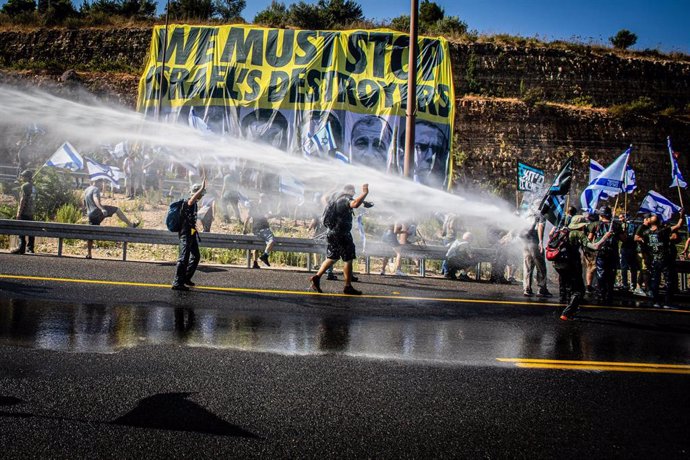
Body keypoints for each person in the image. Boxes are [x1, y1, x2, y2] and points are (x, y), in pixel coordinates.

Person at [309, 184, 369, 295]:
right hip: (342, 235)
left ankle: (316, 277)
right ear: (348, 191)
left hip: (332, 233)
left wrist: (364, 202)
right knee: (348, 259)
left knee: (332, 257)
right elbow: (355, 204)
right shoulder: (346, 198)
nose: (354, 193)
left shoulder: (335, 199)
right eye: (353, 191)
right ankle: (348, 286)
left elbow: (325, 198)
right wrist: (365, 193)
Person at [558, 215, 613, 321]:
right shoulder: (578, 233)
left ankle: (572, 311)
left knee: (570, 288)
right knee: (579, 291)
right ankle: (566, 313)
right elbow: (595, 247)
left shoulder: (564, 231)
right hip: (571, 264)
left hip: (559, 263)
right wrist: (605, 237)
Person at [635, 210, 685, 307]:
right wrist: (681, 216)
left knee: (655, 281)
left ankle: (655, 301)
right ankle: (667, 302)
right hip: (665, 259)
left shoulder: (646, 233)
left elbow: (637, 238)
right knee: (669, 281)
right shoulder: (663, 231)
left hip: (654, 259)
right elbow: (678, 225)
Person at [83, 180, 139, 259]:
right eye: (101, 183)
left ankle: (89, 254)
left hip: (90, 215)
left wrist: (85, 211)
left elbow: (84, 202)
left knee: (91, 234)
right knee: (117, 209)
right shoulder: (95, 189)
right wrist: (102, 209)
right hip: (97, 211)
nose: (102, 185)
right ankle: (130, 225)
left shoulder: (87, 189)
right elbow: (95, 199)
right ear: (98, 182)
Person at [172, 180, 207, 291]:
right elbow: (191, 200)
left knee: (196, 256)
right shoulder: (189, 201)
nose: (202, 196)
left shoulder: (195, 204)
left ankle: (186, 278)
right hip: (185, 234)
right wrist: (202, 187)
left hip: (191, 233)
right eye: (201, 194)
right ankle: (177, 282)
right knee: (183, 258)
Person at [592, 206, 625, 304]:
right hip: (612, 252)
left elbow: (590, 238)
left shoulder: (596, 225)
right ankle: (609, 294)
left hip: (601, 252)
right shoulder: (616, 225)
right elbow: (624, 239)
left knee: (601, 273)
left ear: (601, 215)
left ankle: (601, 294)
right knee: (611, 274)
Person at [521, 211, 552, 297]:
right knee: (541, 267)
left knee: (527, 267)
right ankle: (542, 289)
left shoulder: (527, 214)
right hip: (535, 244)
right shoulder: (541, 214)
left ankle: (527, 289)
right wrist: (541, 242)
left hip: (525, 243)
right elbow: (540, 227)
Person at [11, 169, 35, 255]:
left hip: (25, 212)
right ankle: (30, 248)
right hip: (31, 212)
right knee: (31, 231)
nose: (22, 177)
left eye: (23, 176)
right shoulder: (34, 186)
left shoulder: (25, 186)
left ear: (26, 177)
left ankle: (21, 248)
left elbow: (23, 200)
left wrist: (19, 213)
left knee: (21, 230)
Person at [247, 194, 274, 269]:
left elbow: (247, 218)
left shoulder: (253, 207)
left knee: (256, 245)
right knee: (271, 240)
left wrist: (245, 229)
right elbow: (267, 216)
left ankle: (255, 263)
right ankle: (265, 256)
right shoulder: (264, 207)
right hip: (263, 229)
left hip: (255, 229)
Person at [619, 213, 640, 292]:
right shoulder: (623, 225)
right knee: (628, 267)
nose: (620, 219)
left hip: (629, 248)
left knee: (629, 267)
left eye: (621, 217)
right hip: (628, 248)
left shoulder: (631, 225)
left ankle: (628, 284)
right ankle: (628, 283)